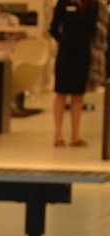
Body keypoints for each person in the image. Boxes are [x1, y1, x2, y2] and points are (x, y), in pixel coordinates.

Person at [49, 0, 101, 146]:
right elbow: (53, 28)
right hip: (66, 52)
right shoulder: (64, 3)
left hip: (83, 52)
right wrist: (63, 40)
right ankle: (58, 134)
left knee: (78, 94)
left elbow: (93, 28)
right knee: (61, 92)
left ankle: (76, 134)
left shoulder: (93, 4)